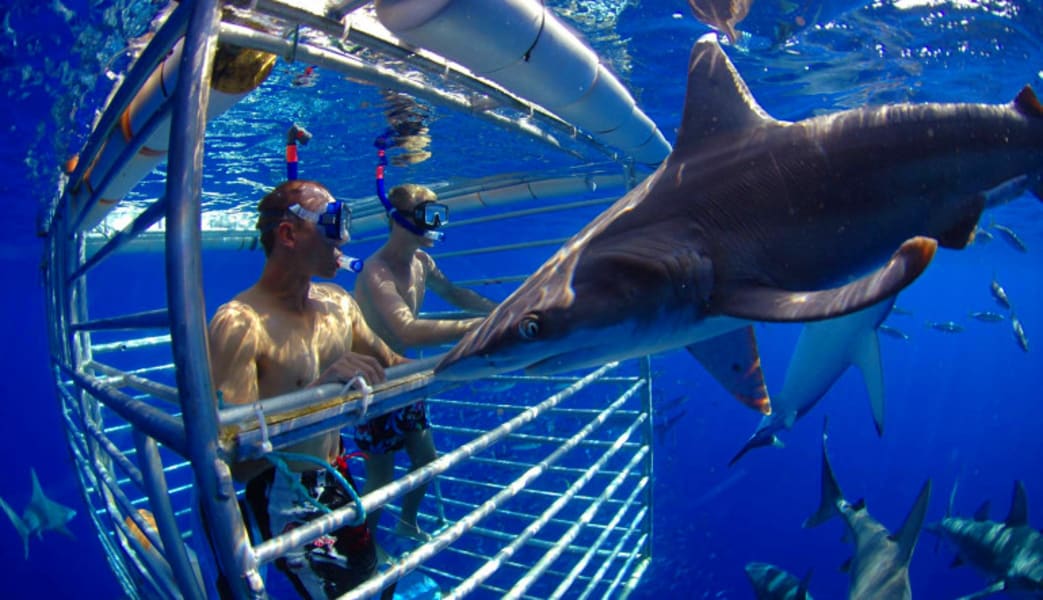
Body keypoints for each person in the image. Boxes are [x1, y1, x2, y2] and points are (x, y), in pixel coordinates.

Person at [208, 179, 406, 599]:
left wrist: (487, 344)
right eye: (334, 223)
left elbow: (396, 366)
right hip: (283, 488)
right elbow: (234, 463)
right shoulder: (240, 324)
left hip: (336, 471)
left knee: (381, 583)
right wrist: (319, 392)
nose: (346, 237)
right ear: (288, 234)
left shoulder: (339, 304)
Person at [353, 183, 497, 542]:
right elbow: (408, 330)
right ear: (398, 220)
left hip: (407, 379)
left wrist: (499, 311)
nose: (434, 222)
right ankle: (365, 549)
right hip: (375, 385)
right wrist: (479, 326)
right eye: (427, 213)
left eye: (437, 213)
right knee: (380, 479)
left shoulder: (423, 261)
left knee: (426, 461)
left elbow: (453, 293)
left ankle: (407, 523)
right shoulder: (376, 271)